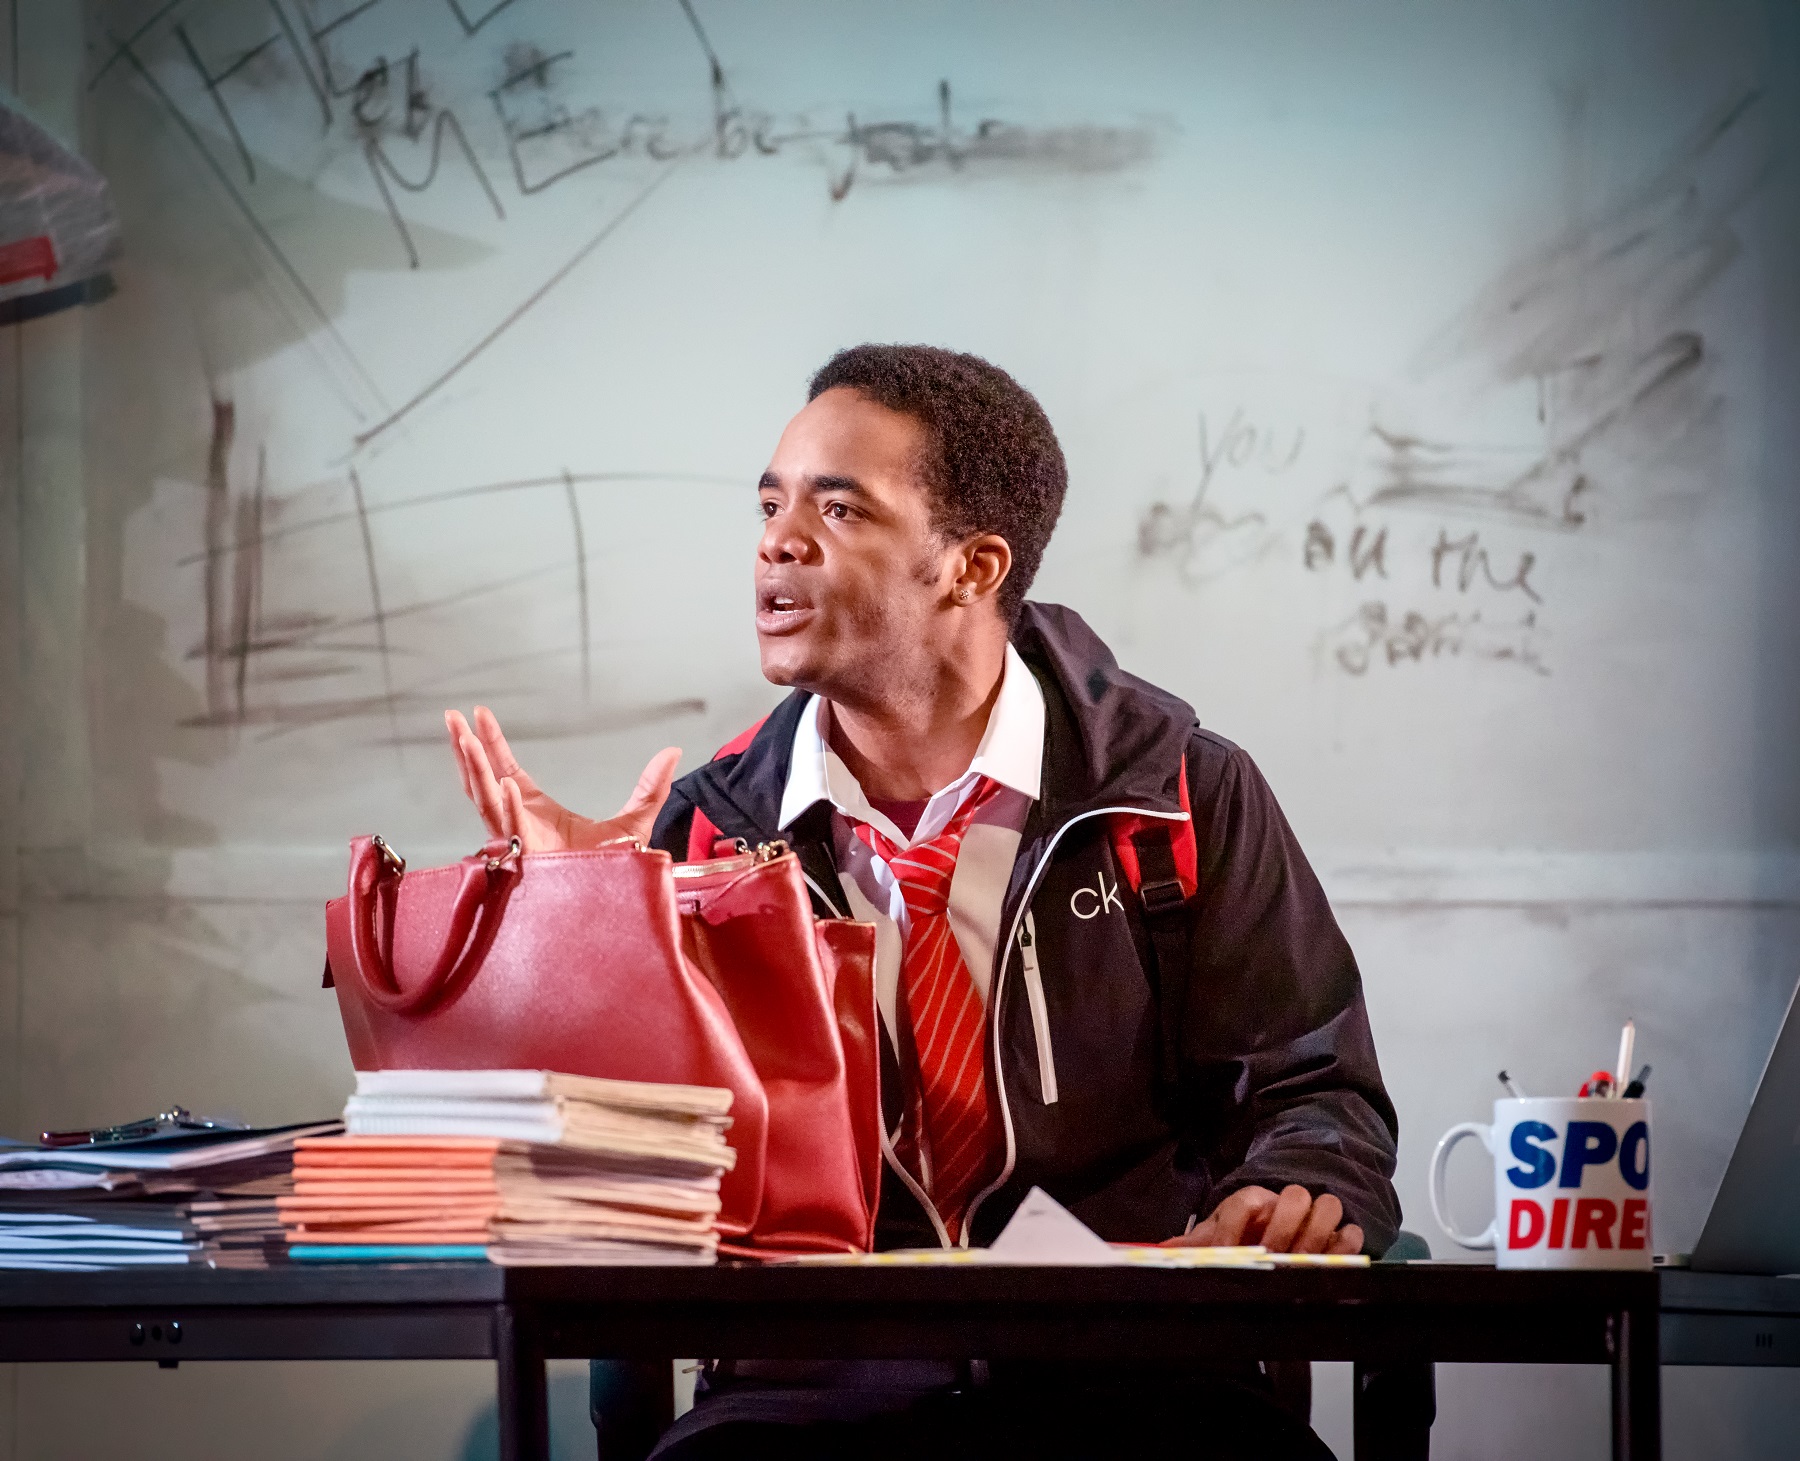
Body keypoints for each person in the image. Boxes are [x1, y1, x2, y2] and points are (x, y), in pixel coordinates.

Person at [446, 344, 1400, 1460]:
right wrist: (576, 922)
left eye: (838, 507)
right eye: (771, 502)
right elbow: (619, 1172)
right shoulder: (711, 831)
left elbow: (1315, 1084)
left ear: (972, 566)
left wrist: (1297, 1185)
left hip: (1135, 1373)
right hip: (808, 1393)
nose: (777, 540)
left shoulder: (1179, 797)